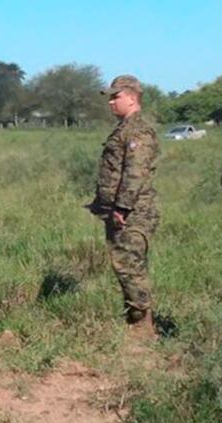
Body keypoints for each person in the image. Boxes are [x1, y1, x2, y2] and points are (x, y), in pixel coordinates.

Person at [86, 75, 160, 339]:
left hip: (133, 212)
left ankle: (142, 327)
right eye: (110, 97)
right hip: (119, 210)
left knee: (130, 266)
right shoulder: (124, 128)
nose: (111, 102)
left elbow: (135, 173)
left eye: (115, 97)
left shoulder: (137, 131)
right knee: (124, 265)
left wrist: (123, 208)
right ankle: (135, 319)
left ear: (131, 97)